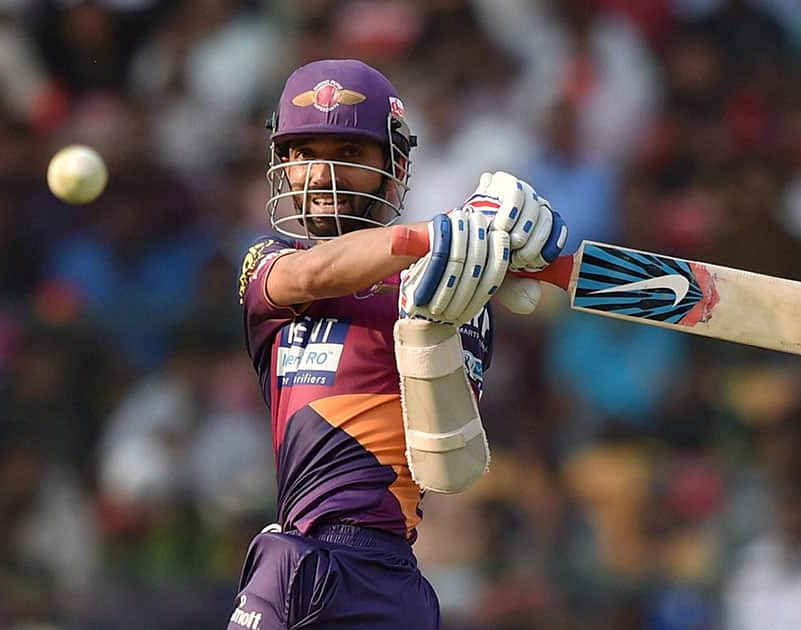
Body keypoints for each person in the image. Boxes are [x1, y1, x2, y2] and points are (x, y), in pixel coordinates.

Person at [229, 59, 567, 629]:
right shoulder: (268, 266)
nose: (321, 175)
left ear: (395, 169)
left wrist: (431, 331)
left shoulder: (449, 286)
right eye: (304, 153)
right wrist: (442, 233)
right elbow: (317, 275)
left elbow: (450, 465)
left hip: (385, 584)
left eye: (349, 155)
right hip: (291, 561)